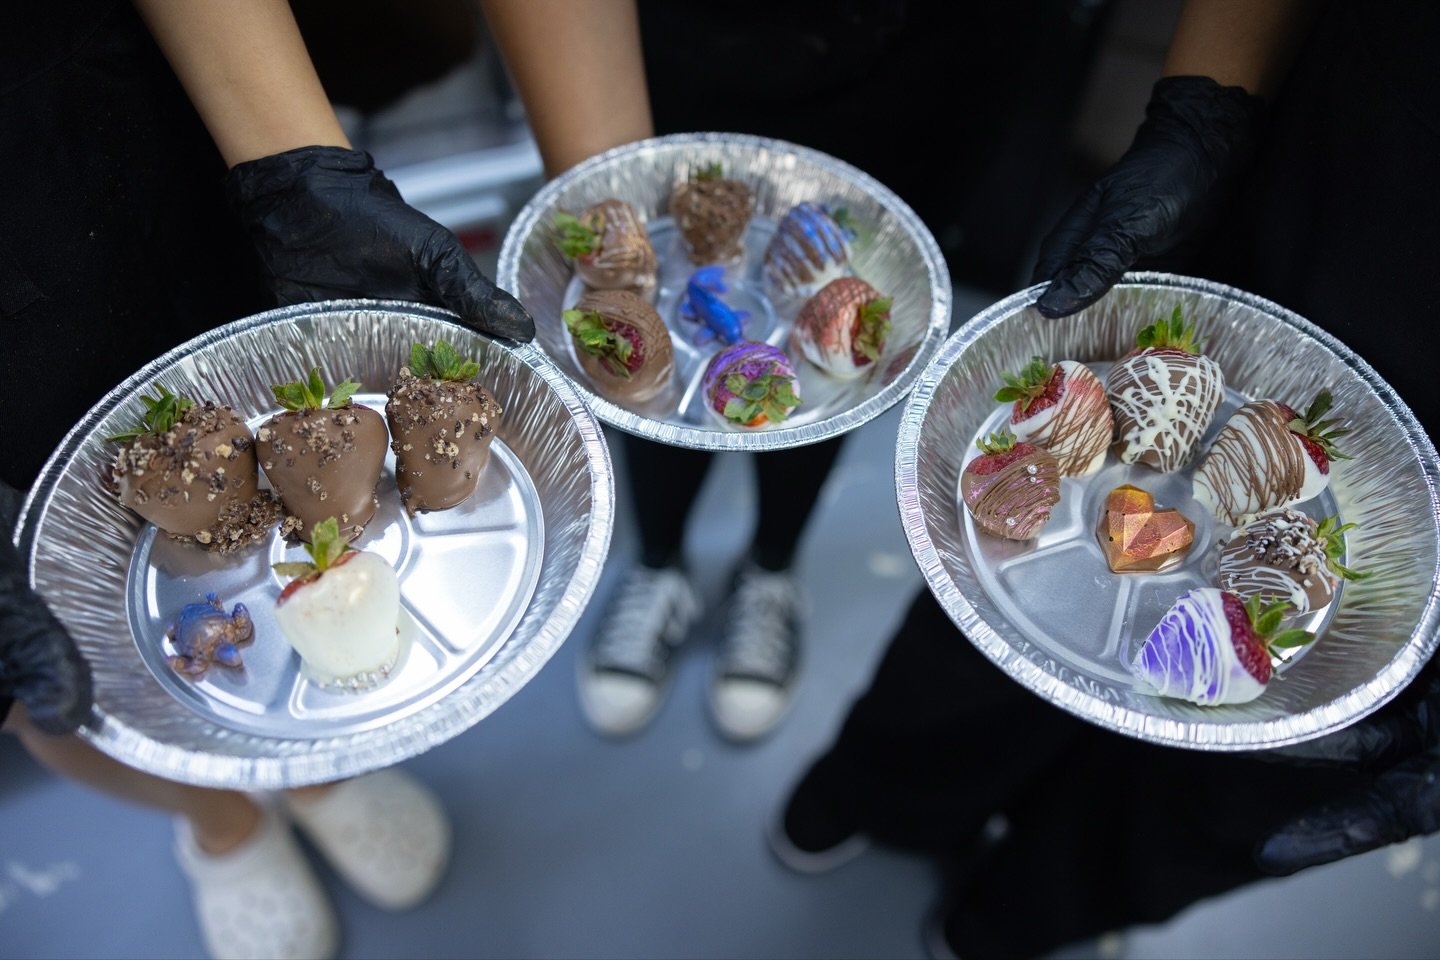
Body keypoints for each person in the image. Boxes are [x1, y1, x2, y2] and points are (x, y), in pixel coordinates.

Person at [772, 1, 1440, 957]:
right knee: (1002, 600)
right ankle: (890, 788)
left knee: (1273, 754)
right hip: (1331, 172)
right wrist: (1204, 113)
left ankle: (1023, 914)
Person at [1, 2, 533, 958]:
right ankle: (219, 820)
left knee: (252, 348)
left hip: (123, 128)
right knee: (41, 672)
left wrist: (297, 165)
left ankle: (311, 773)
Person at [481, 0, 1113, 743]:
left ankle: (772, 568)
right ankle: (658, 562)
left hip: (923, 56)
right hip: (679, 48)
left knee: (840, 370)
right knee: (644, 335)